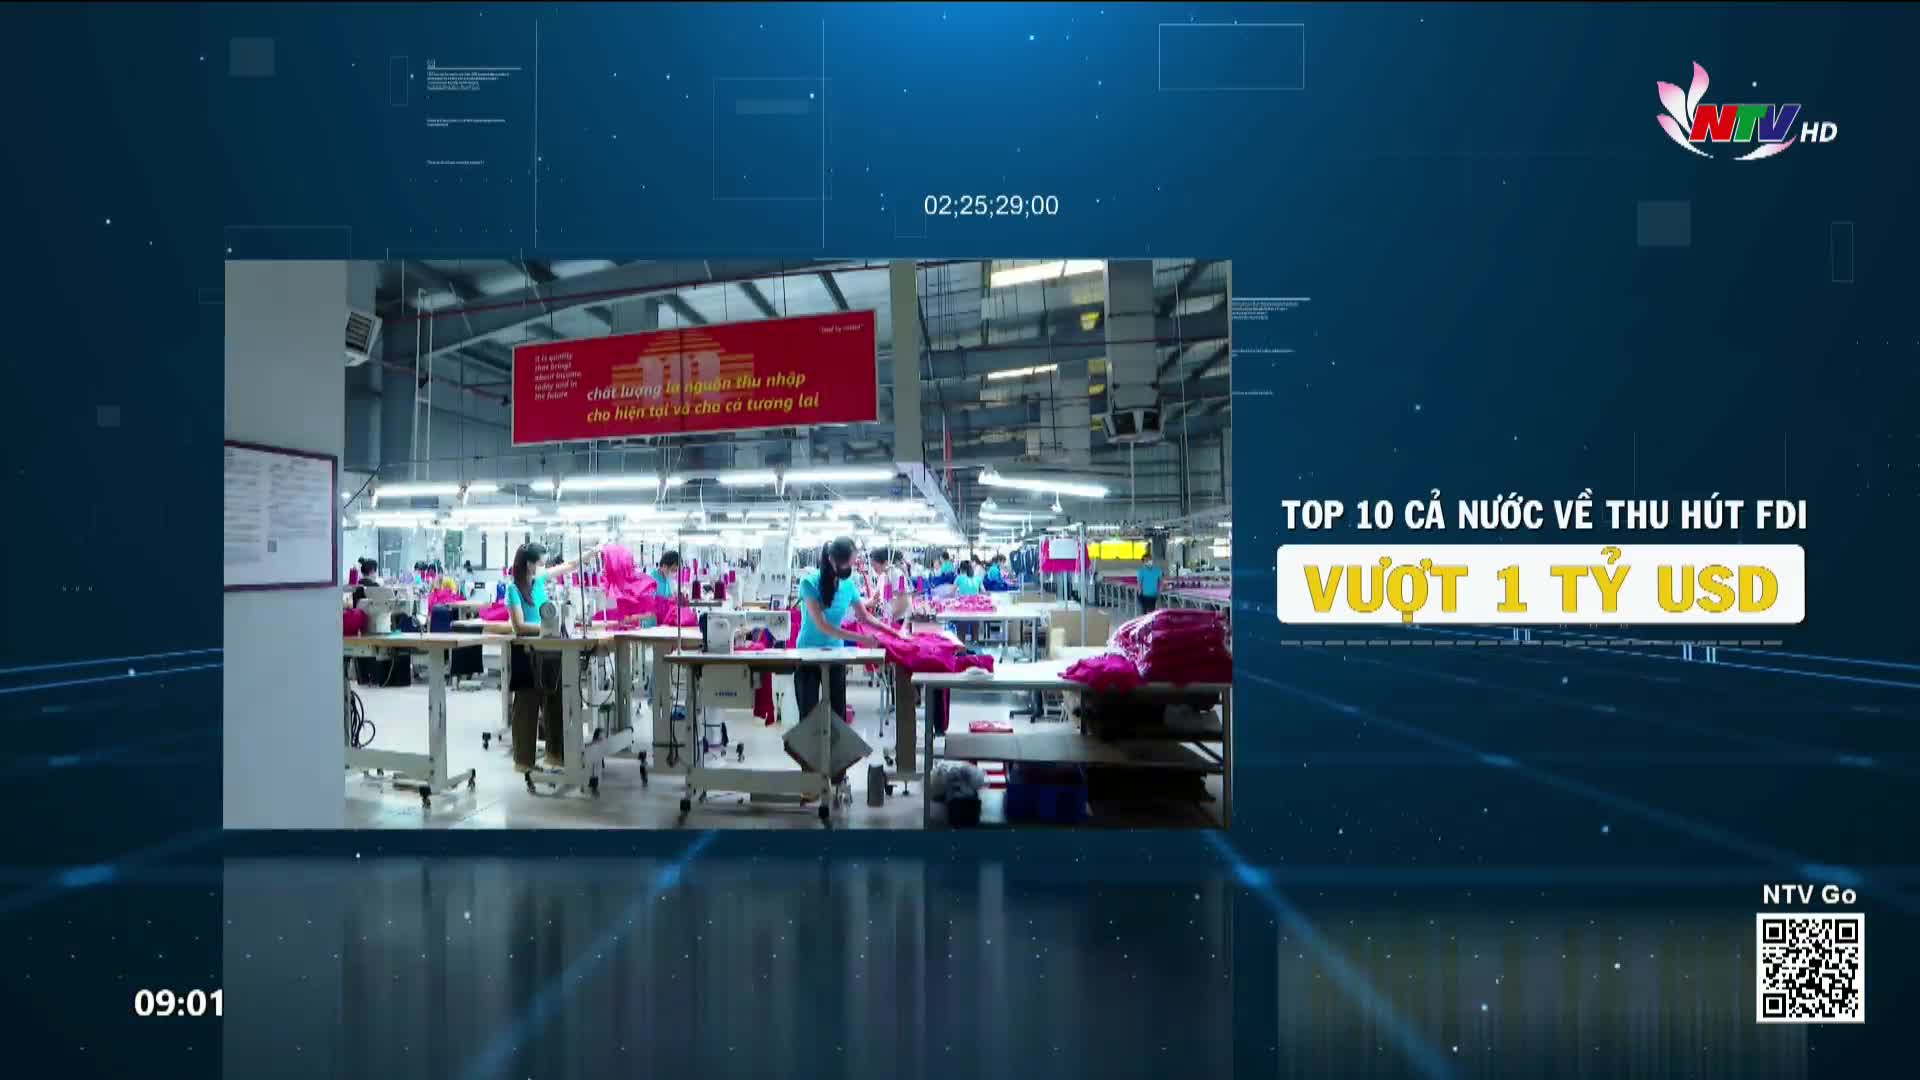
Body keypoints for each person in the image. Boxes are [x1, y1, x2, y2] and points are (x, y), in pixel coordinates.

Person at [487, 541, 597, 775]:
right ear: (528, 564)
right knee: (527, 705)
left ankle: (555, 754)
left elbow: (567, 566)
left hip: (548, 649)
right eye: (540, 563)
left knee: (554, 699)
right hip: (526, 651)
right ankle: (523, 759)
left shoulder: (538, 581)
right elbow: (518, 625)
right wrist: (546, 628)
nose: (544, 567)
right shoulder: (513, 590)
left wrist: (588, 554)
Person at [793, 537, 890, 727]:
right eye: (848, 563)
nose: (851, 567)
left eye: (853, 563)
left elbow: (864, 616)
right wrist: (862, 638)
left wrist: (891, 632)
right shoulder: (808, 583)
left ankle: (835, 756)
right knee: (807, 719)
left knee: (838, 718)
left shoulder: (848, 585)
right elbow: (823, 626)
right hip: (806, 653)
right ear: (831, 560)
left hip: (836, 655)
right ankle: (809, 757)